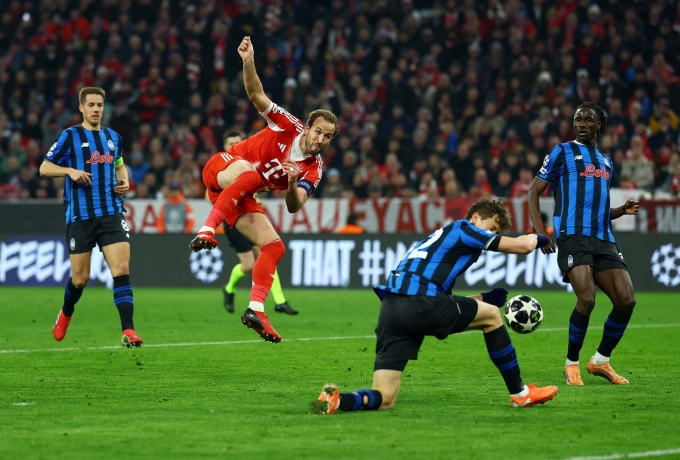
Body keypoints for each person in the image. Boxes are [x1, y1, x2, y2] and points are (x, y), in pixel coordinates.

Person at [312, 199, 558, 414]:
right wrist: (539, 236)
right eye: (491, 228)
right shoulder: (464, 228)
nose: (491, 234)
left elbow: (442, 302)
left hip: (393, 308)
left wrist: (483, 298)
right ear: (475, 217)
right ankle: (520, 394)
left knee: (385, 398)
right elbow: (523, 246)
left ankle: (337, 400)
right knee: (493, 317)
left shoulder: (439, 243)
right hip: (420, 303)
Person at [190, 36, 338, 343]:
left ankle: (256, 308)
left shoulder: (313, 168)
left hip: (239, 196)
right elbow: (256, 94)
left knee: (274, 246)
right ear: (307, 127)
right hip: (222, 168)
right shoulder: (287, 125)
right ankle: (207, 229)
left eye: (328, 137)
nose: (321, 140)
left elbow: (294, 206)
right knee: (252, 176)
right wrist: (248, 61)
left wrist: (293, 183)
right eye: (318, 132)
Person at [527, 101, 640, 386]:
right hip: (573, 237)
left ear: (598, 125)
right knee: (587, 299)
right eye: (578, 119)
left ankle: (600, 360)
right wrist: (541, 232)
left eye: (588, 120)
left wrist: (620, 211)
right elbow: (533, 193)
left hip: (604, 238)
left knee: (626, 300)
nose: (582, 124)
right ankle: (571, 364)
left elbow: (597, 209)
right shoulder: (561, 152)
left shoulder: (606, 161)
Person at [39, 87, 143, 347]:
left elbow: (119, 164)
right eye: (91, 105)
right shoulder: (70, 136)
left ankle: (128, 330)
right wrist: (69, 172)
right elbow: (44, 167)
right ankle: (66, 312)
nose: (96, 109)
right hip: (81, 216)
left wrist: (124, 181)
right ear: (82, 108)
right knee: (80, 279)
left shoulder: (113, 137)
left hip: (111, 212)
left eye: (100, 105)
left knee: (121, 269)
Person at [219, 131, 297, 315]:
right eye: (231, 143)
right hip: (234, 220)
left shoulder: (248, 164)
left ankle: (280, 301)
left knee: (267, 253)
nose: (234, 146)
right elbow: (211, 194)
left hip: (251, 217)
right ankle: (229, 289)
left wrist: (255, 199)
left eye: (238, 142)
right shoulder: (221, 167)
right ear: (224, 146)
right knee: (247, 265)